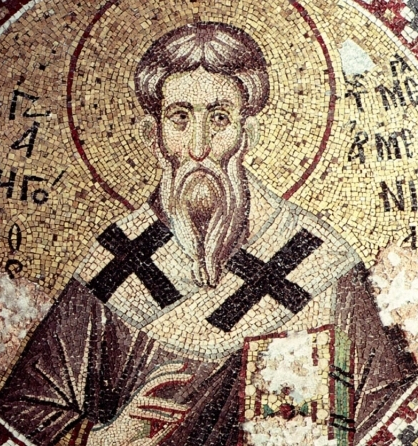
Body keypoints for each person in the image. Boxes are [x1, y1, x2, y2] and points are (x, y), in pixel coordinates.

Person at [0, 22, 415, 446]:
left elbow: (391, 420)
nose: (198, 147)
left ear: (246, 134)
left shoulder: (320, 262)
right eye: (179, 118)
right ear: (154, 135)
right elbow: (21, 413)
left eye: (218, 118)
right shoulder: (117, 263)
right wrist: (102, 440)